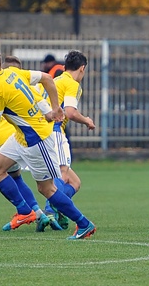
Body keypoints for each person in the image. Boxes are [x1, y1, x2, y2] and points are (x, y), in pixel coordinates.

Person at [0, 48, 97, 239]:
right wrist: (54, 108)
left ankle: (83, 224)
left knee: (46, 189)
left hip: (36, 139)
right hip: (21, 136)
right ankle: (25, 211)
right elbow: (47, 78)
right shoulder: (12, 72)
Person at [0, 55, 61, 232]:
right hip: (31, 134)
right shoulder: (26, 85)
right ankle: (42, 213)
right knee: (46, 179)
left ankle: (33, 212)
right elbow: (43, 107)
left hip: (11, 139)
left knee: (11, 176)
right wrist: (52, 116)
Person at [42, 50, 96, 230]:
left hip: (42, 130)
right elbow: (71, 112)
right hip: (54, 131)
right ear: (82, 69)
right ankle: (50, 211)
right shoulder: (72, 84)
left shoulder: (56, 80)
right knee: (62, 175)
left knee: (75, 183)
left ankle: (56, 210)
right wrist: (87, 120)